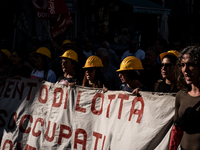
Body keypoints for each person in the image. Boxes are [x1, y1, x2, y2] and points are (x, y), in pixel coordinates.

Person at [169, 46, 200, 150]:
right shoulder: (180, 96)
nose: (185, 70)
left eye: (190, 65)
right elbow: (176, 131)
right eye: (182, 65)